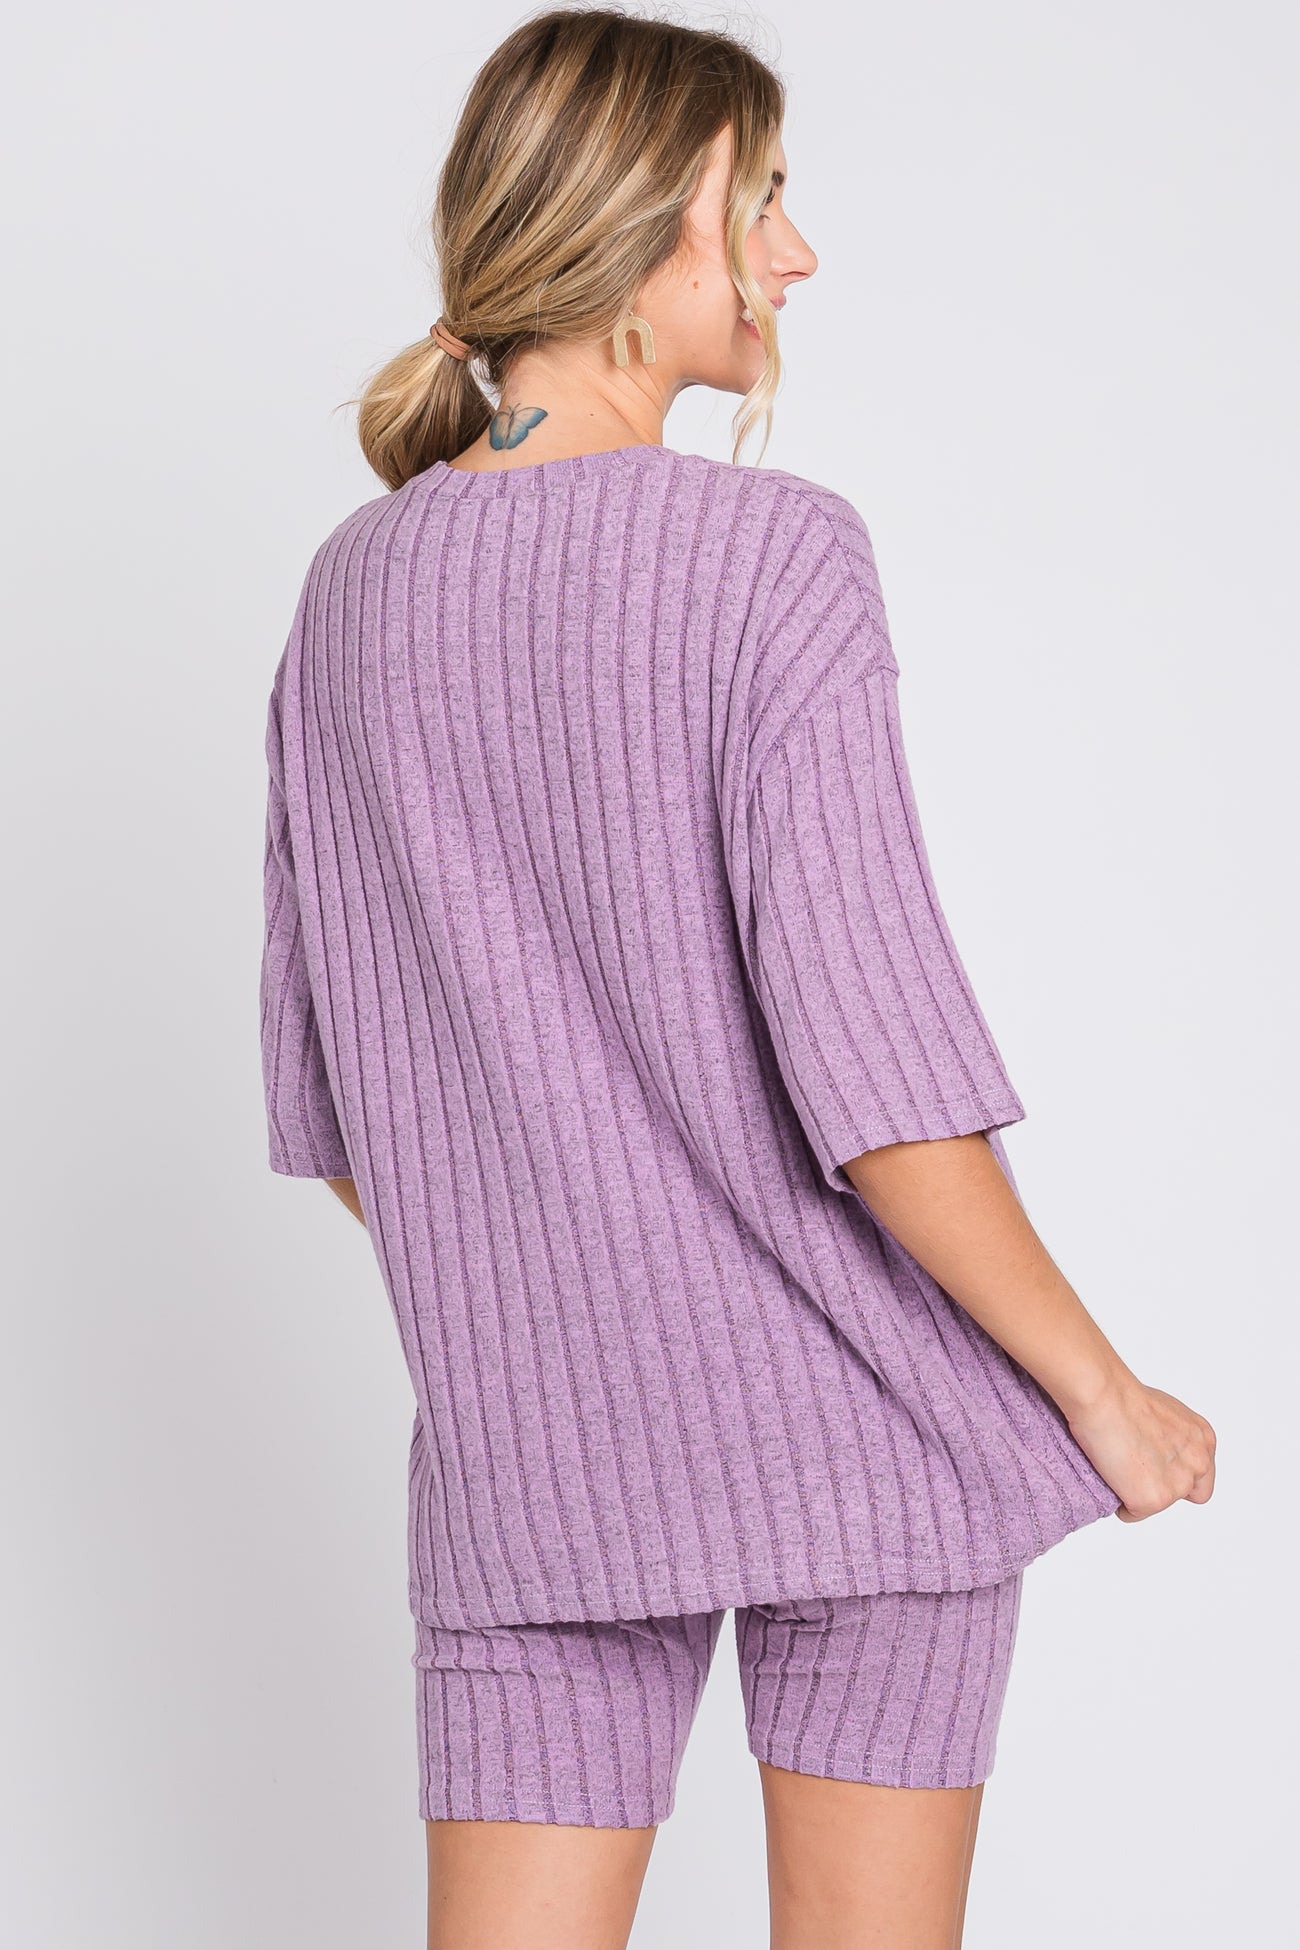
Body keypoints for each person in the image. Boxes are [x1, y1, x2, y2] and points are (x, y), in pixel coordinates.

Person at [258, 10, 1216, 1946]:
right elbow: (881, 1083)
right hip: (871, 1435)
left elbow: (336, 1110)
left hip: (531, 1468)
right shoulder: (773, 558)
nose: (796, 253)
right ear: (637, 230)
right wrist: (1102, 1394)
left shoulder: (350, 592)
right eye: (759, 200)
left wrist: (571, 1324)